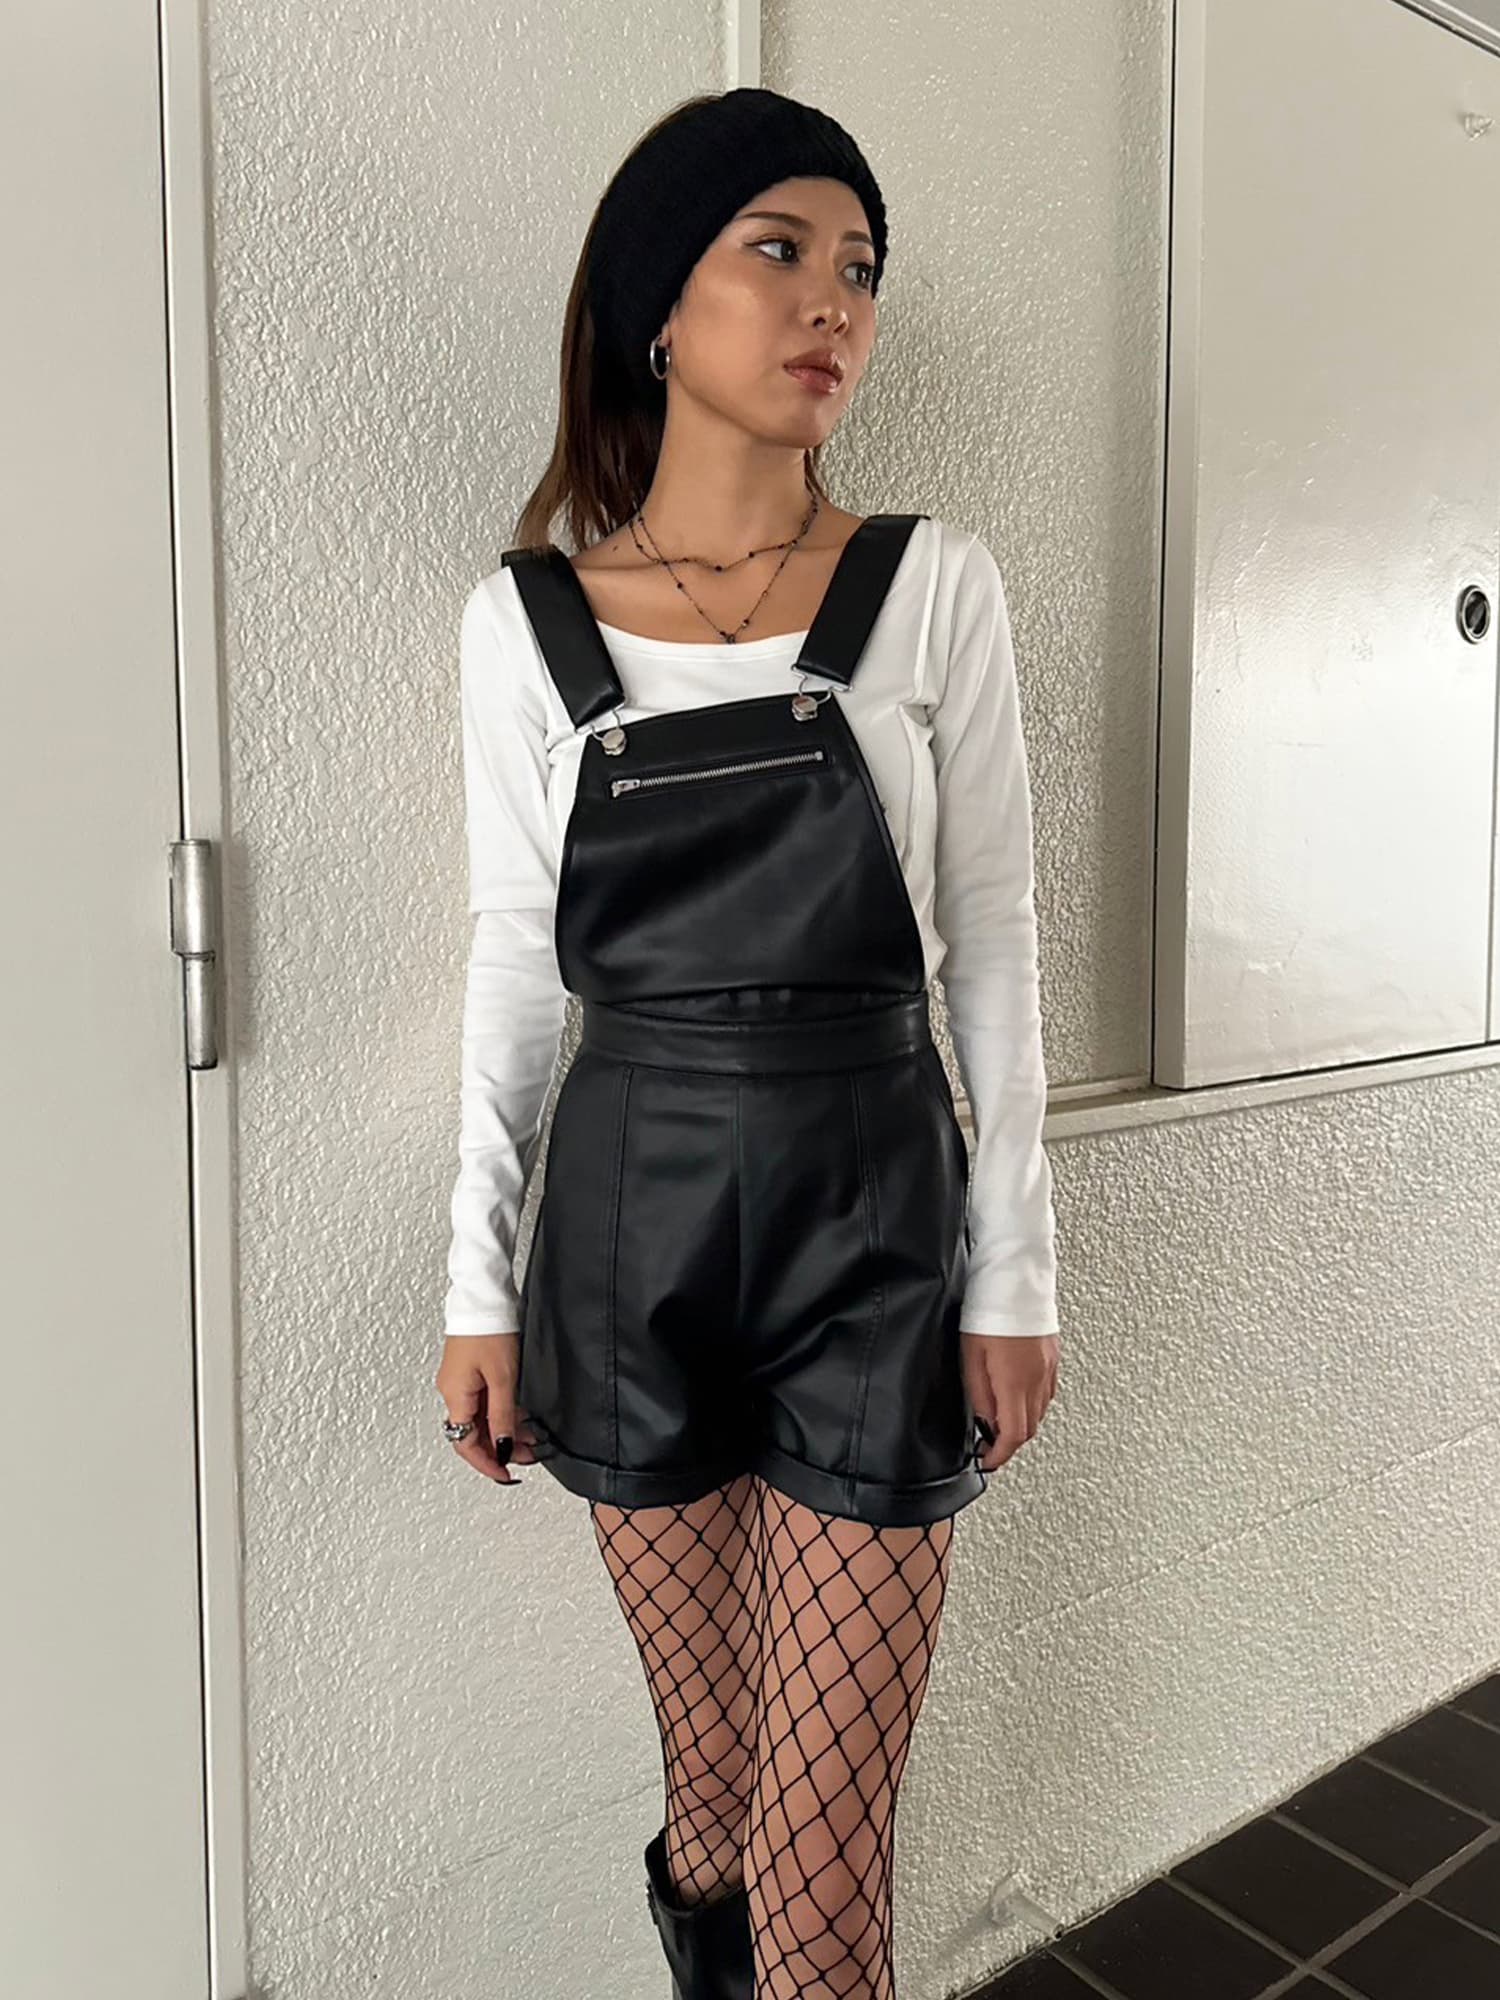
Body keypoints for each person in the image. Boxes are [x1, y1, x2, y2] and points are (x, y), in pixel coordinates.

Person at [434, 86, 1060, 2000]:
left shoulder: (933, 586)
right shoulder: (524, 624)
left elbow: (994, 942)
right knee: (712, 1806)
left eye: (858, 267)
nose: (831, 303)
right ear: (659, 307)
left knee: (819, 1855)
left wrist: (1016, 1269)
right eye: (777, 251)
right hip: (627, 1236)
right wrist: (476, 1284)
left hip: (875, 1227)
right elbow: (518, 961)